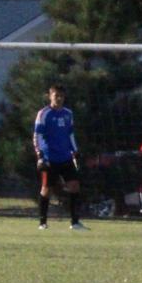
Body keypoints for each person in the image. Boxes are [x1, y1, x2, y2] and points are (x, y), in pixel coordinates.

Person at [33, 85, 85, 230]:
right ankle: (42, 223)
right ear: (50, 97)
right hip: (50, 158)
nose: (59, 99)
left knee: (74, 186)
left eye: (61, 96)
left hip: (65, 157)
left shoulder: (68, 113)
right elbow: (38, 135)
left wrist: (75, 151)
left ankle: (75, 222)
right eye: (56, 96)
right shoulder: (44, 114)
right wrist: (41, 155)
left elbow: (70, 134)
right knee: (46, 189)